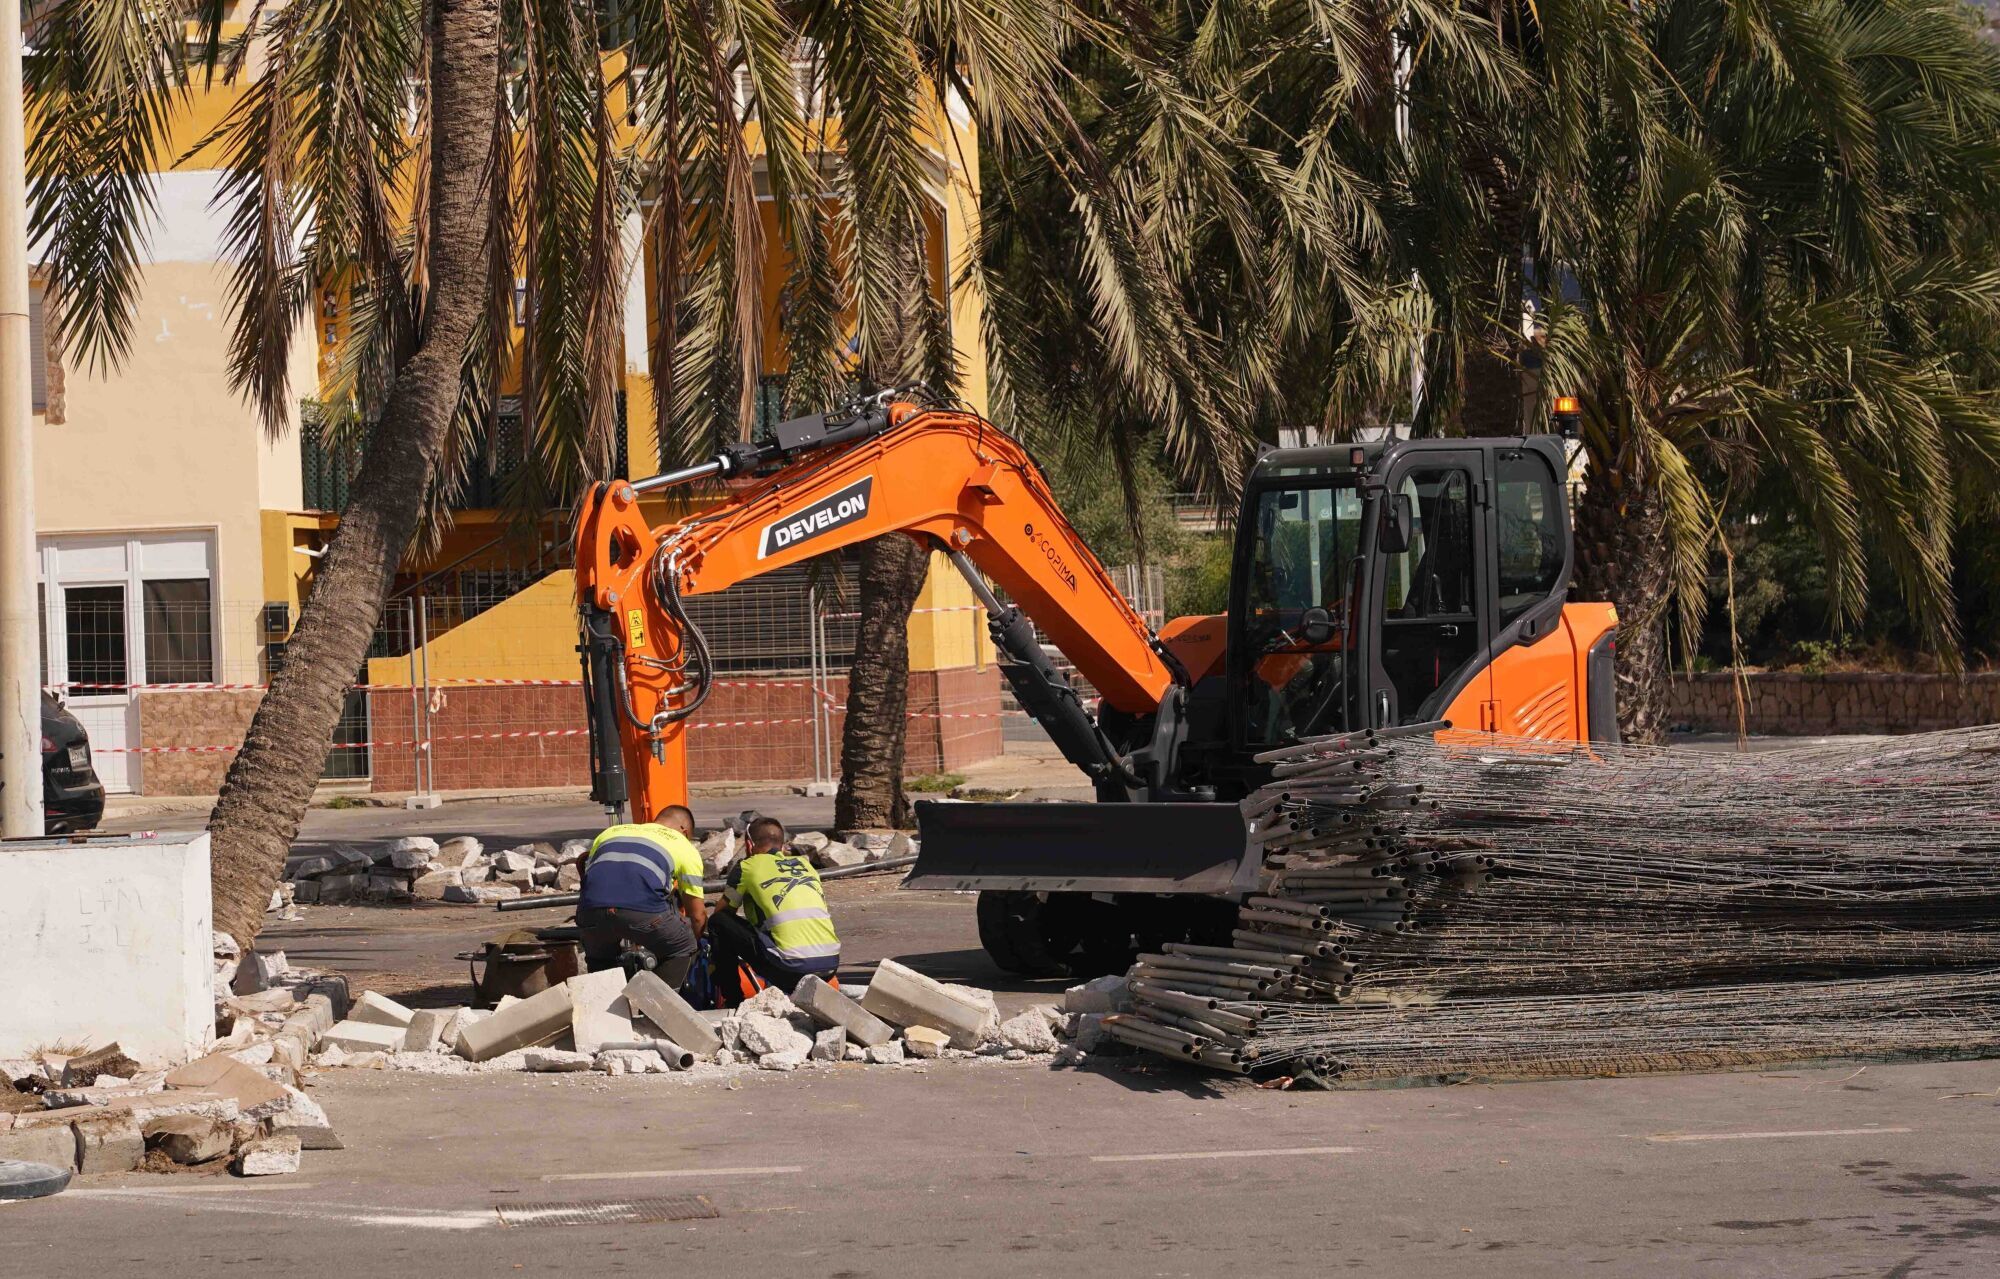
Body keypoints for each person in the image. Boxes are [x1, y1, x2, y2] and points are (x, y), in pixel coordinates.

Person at [575, 805, 707, 987]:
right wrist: (697, 944)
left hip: (590, 910)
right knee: (682, 945)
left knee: (601, 959)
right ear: (684, 830)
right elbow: (697, 915)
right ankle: (655, 1007)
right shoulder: (683, 845)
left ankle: (603, 1008)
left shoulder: (611, 832)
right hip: (643, 912)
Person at [708, 817, 840, 996]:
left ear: (748, 844)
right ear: (783, 845)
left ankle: (732, 998)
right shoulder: (806, 865)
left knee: (718, 922)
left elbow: (722, 913)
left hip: (789, 968)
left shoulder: (747, 866)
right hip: (830, 964)